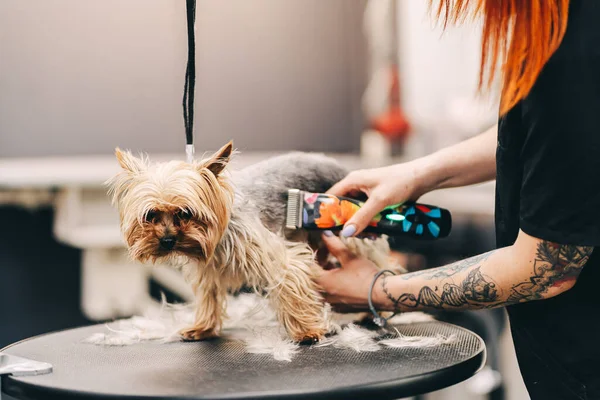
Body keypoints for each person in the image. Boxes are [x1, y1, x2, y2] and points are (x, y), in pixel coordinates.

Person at [315, 1, 600, 399]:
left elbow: (547, 268)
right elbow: (546, 132)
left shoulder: (572, 43)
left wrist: (374, 290)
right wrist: (418, 173)